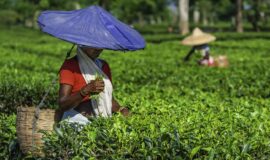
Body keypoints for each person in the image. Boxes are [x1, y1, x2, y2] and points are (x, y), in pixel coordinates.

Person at [58, 46, 129, 125]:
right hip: (75, 120)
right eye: (93, 45)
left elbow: (108, 98)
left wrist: (121, 109)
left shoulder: (103, 66)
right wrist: (85, 91)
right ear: (82, 44)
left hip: (100, 121)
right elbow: (63, 104)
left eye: (100, 45)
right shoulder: (70, 65)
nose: (98, 49)